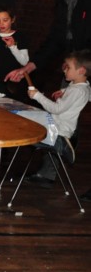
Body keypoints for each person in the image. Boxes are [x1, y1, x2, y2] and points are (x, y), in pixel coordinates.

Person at [6, 0, 91, 200]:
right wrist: (29, 67)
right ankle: (48, 172)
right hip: (76, 66)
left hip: (84, 65)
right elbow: (55, 38)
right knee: (60, 115)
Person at [23, 50, 91, 187]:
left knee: (24, 123)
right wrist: (65, 92)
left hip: (57, 132)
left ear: (81, 71)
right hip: (55, 125)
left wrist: (37, 96)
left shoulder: (77, 90)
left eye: (68, 67)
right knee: (27, 115)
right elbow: (84, 92)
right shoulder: (81, 86)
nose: (64, 70)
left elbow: (56, 109)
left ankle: (62, 145)